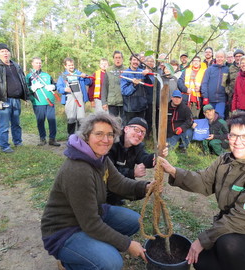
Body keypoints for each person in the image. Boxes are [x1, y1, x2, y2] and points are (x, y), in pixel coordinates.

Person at [159, 112, 245, 270]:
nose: (238, 142)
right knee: (200, 260)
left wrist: (203, 239)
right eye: (234, 135)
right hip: (236, 228)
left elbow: (244, 219)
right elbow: (203, 181)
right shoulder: (225, 160)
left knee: (229, 244)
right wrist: (173, 171)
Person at [41, 113, 153, 269]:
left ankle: (94, 245)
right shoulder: (78, 170)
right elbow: (91, 223)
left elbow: (119, 183)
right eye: (99, 134)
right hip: (64, 230)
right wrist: (126, 244)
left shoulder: (101, 158)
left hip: (92, 215)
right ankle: (68, 262)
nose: (106, 140)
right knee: (112, 263)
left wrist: (146, 187)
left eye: (109, 135)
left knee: (134, 221)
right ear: (87, 136)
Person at [107, 117, 168, 205]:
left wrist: (157, 155)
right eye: (136, 130)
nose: (140, 134)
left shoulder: (138, 147)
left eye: (143, 133)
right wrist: (132, 173)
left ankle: (117, 199)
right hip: (106, 184)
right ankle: (110, 200)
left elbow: (145, 159)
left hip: (122, 182)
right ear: (126, 129)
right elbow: (107, 173)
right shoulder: (111, 143)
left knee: (141, 190)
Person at [0, 43, 29, 153]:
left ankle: (18, 142)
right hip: (4, 101)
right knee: (4, 125)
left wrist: (26, 97)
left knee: (16, 124)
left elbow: (23, 81)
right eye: (2, 51)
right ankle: (4, 146)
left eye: (6, 51)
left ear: (9, 53)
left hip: (16, 100)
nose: (5, 53)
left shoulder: (16, 65)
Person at [26, 57, 60, 147]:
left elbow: (55, 85)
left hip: (50, 102)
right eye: (36, 63)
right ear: (32, 64)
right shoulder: (29, 76)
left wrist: (53, 87)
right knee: (40, 120)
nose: (38, 65)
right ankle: (42, 139)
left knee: (52, 120)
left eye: (40, 63)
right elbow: (25, 89)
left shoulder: (47, 75)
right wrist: (32, 87)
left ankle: (52, 139)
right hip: (38, 102)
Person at [57, 58, 91, 136]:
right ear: (65, 66)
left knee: (81, 119)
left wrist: (86, 76)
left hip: (80, 99)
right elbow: (58, 87)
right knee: (71, 118)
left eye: (72, 65)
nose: (71, 67)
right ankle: (71, 137)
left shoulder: (79, 74)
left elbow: (89, 82)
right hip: (69, 99)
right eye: (69, 65)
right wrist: (64, 89)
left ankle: (80, 137)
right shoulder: (63, 76)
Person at [120, 54, 149, 123]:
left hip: (142, 107)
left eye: (138, 60)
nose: (136, 62)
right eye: (134, 60)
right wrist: (133, 85)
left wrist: (147, 76)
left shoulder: (142, 72)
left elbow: (149, 86)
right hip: (130, 108)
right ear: (130, 61)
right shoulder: (125, 74)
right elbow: (124, 91)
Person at [201, 50, 229, 119]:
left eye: (221, 57)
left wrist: (228, 97)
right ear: (215, 58)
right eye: (218, 57)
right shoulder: (210, 69)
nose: (219, 59)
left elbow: (229, 84)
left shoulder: (227, 70)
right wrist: (205, 97)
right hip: (210, 99)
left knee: (219, 117)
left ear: (224, 58)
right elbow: (204, 83)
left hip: (221, 99)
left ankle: (218, 130)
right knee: (209, 117)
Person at [225, 49, 245, 118]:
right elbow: (225, 82)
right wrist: (228, 91)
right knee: (233, 116)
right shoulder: (230, 68)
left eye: (240, 56)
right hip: (233, 97)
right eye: (236, 56)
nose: (238, 58)